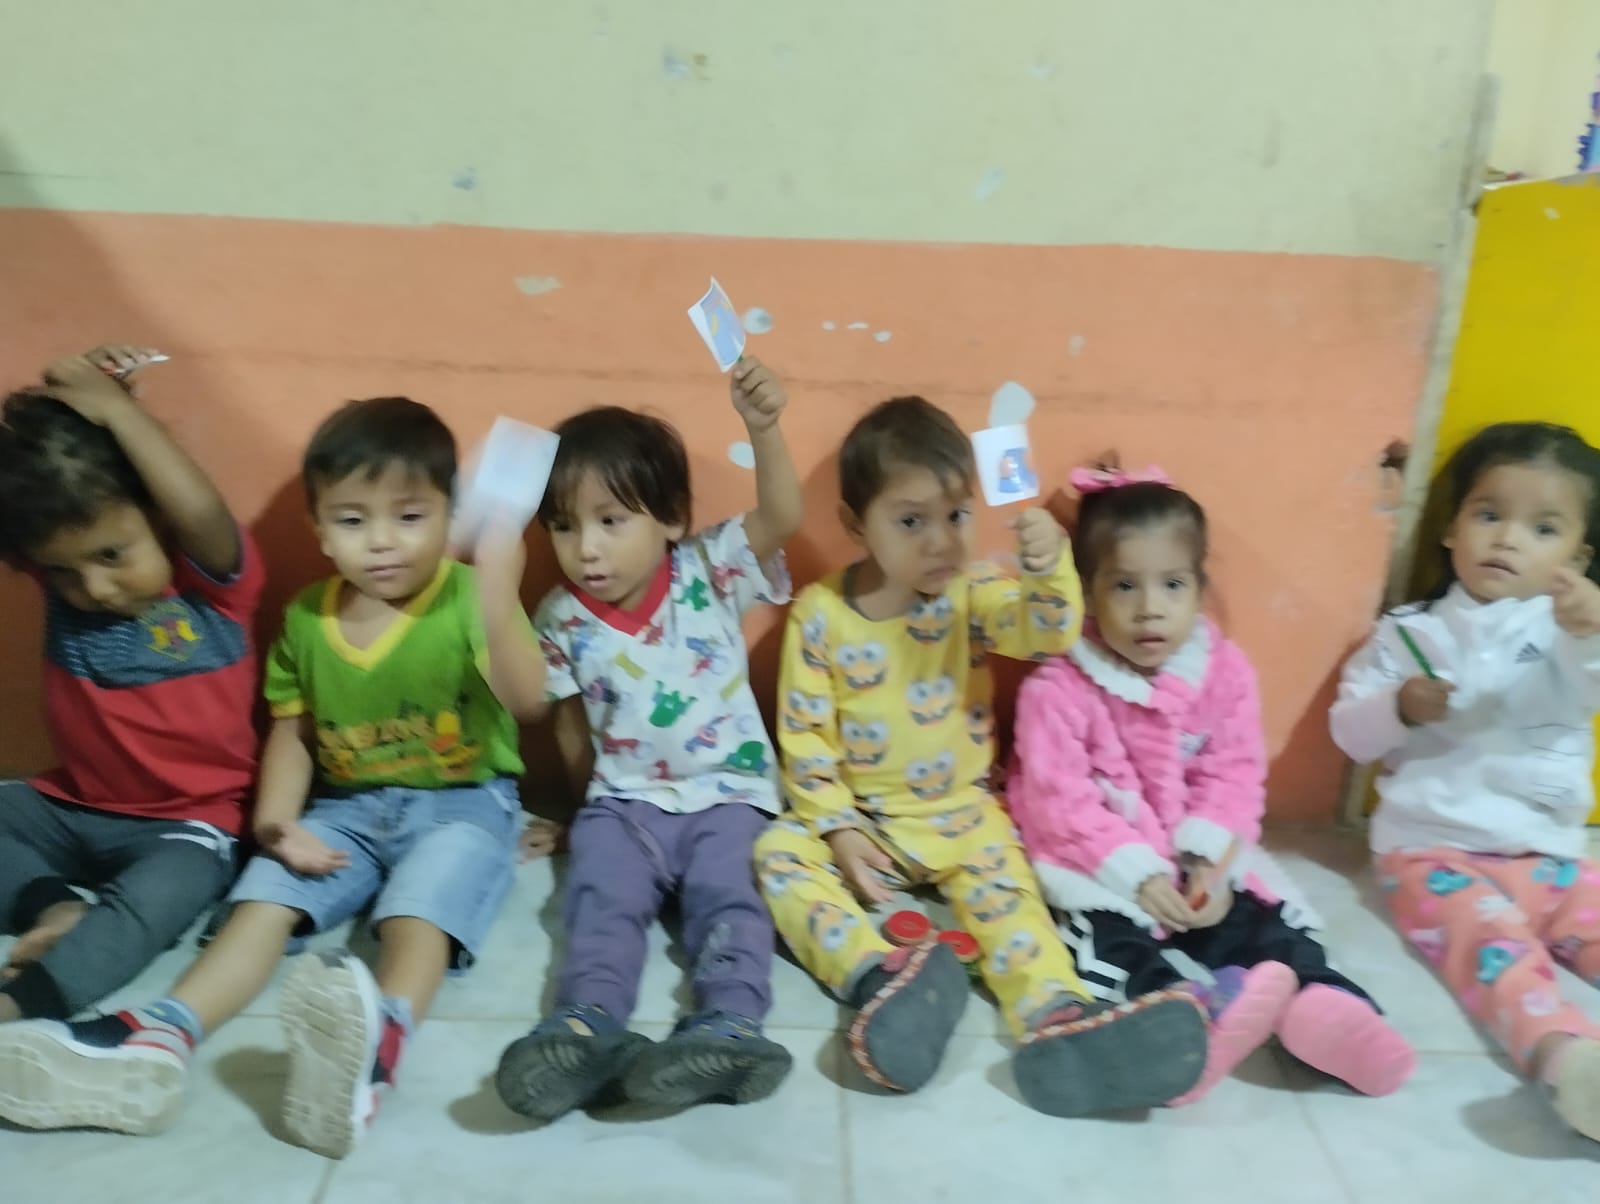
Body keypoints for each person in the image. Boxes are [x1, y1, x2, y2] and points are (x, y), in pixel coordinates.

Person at [0, 396, 546, 1158]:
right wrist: (277, 824)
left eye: (409, 517)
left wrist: (496, 591)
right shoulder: (308, 618)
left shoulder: (464, 599)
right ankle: (162, 1031)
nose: (381, 541)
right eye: (352, 520)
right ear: (319, 529)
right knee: (262, 900)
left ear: (450, 516)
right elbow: (293, 733)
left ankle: (380, 1041)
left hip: (462, 802)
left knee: (419, 911)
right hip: (345, 808)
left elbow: (528, 701)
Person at [753, 400, 1207, 1117]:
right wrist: (835, 828)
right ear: (856, 526)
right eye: (912, 521)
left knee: (1014, 904)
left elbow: (1045, 634)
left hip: (965, 818)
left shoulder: (975, 593)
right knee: (777, 854)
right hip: (866, 822)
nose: (942, 541)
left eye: (957, 516)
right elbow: (804, 738)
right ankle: (878, 979)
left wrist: (1049, 569)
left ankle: (1057, 1015)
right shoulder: (821, 614)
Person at [1010, 463, 1414, 1106]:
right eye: (1124, 585)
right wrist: (1136, 876)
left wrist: (1209, 864)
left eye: (1172, 584)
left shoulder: (1224, 672)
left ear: (1199, 587)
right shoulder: (1056, 691)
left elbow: (1233, 774)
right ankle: (1180, 1026)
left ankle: (1324, 1004)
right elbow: (1059, 804)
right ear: (1088, 591)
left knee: (1261, 924)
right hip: (1098, 867)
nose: (1150, 608)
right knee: (1108, 943)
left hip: (1188, 865)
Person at [494, 358, 803, 1121]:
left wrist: (764, 428)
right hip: (625, 805)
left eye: (610, 520)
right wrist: (578, 815)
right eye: (563, 526)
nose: (586, 549)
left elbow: (783, 516)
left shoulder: (710, 568)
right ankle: (585, 1026)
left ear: (669, 518)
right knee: (599, 904)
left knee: (732, 901)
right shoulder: (561, 616)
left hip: (728, 798)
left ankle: (729, 1025)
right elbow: (544, 713)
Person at [1333, 421, 1600, 1141]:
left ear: (1577, 557)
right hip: (1430, 853)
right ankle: (1566, 1058)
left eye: (1543, 529)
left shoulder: (1568, 635)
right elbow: (1350, 734)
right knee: (1493, 950)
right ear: (1452, 529)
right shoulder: (1408, 632)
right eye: (1488, 515)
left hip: (1553, 858)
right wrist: (1398, 706)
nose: (1508, 539)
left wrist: (1590, 631)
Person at [0, 346, 259, 1025]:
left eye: (113, 555)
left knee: (158, 902)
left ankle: (27, 1003)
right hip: (70, 805)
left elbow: (199, 508)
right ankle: (53, 907)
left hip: (186, 825)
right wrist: (56, 411)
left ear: (157, 515)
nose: (95, 587)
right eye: (64, 570)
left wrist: (120, 413)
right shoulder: (63, 580)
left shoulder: (212, 590)